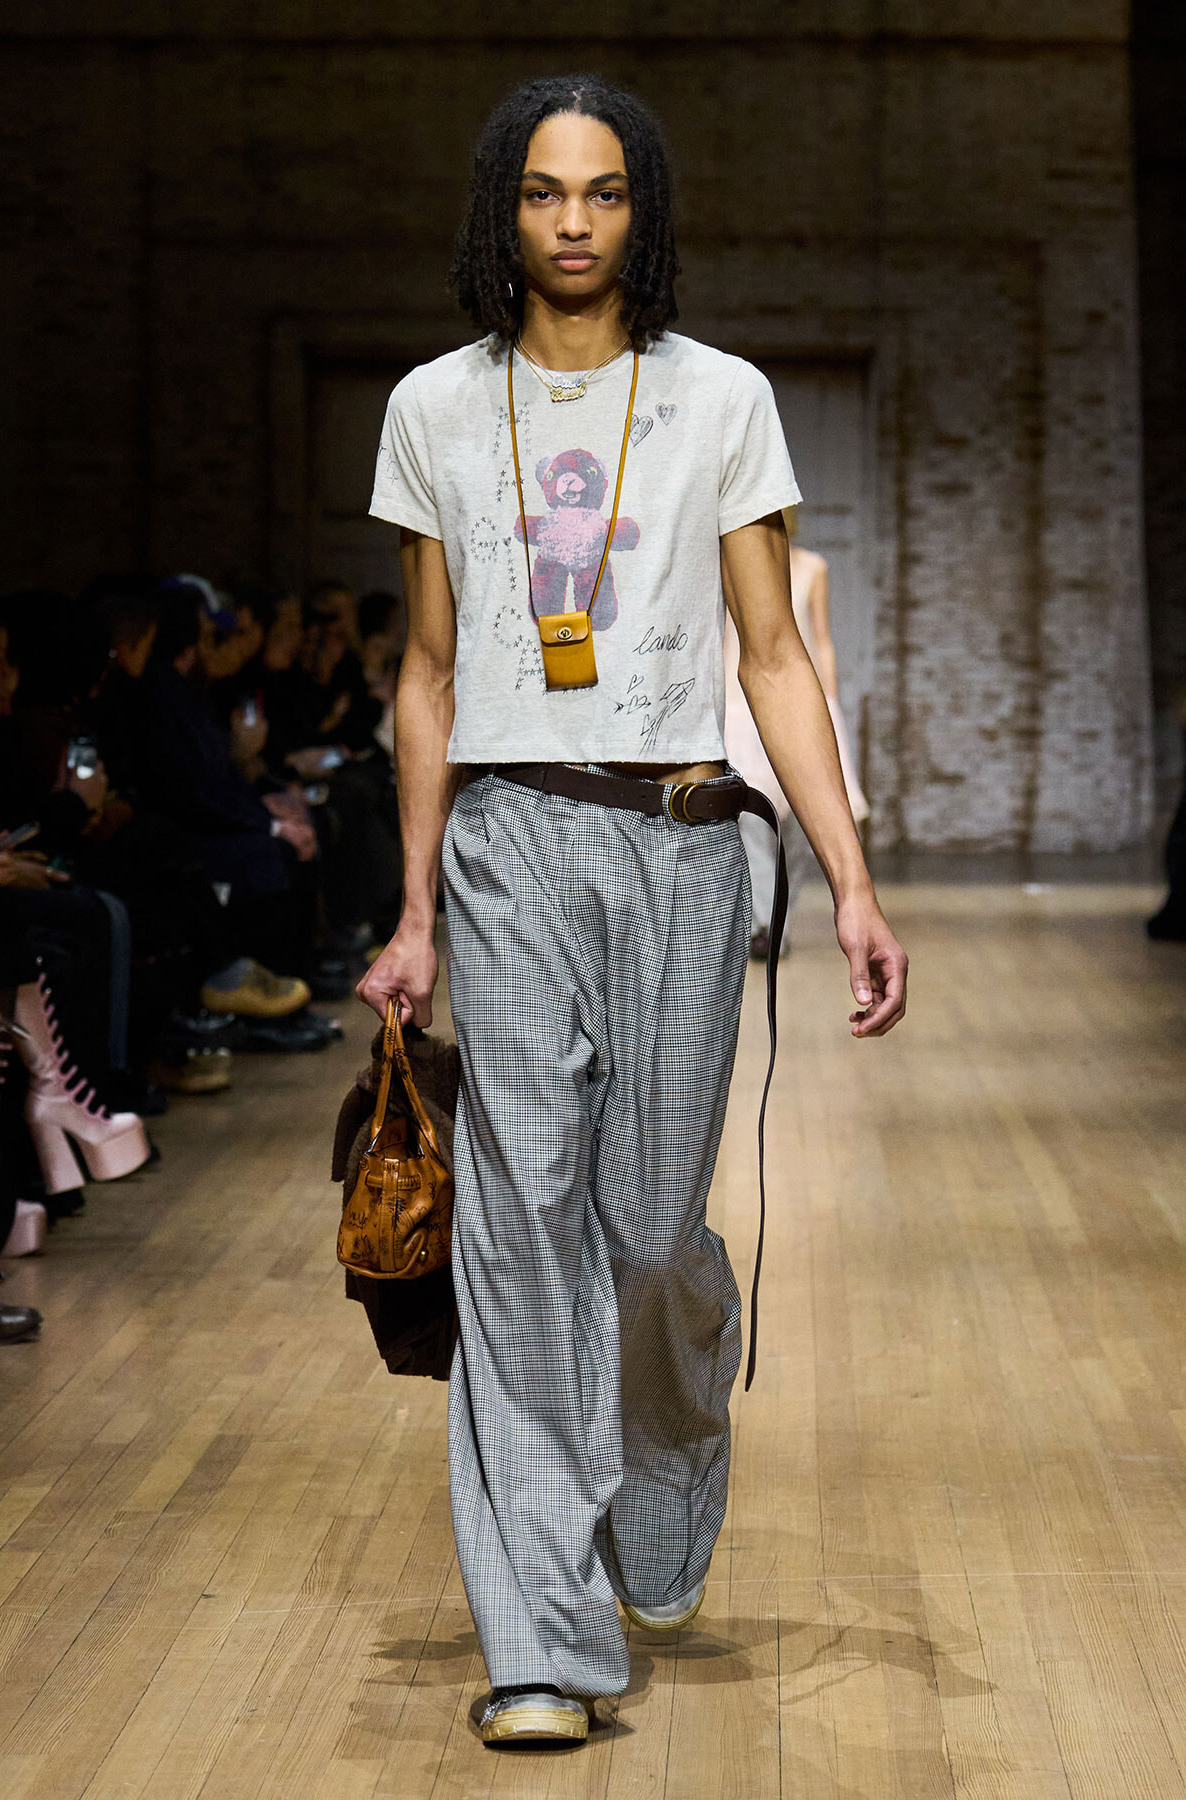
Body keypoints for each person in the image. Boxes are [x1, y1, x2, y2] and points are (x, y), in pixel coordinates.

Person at [357, 75, 908, 1746]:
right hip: (512, 841)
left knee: (649, 1227)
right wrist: (412, 907)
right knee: (521, 1226)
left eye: (603, 194)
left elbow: (771, 652)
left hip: (685, 840)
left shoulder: (722, 401)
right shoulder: (437, 409)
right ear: (502, 214)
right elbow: (431, 675)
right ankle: (540, 1636)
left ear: (641, 214)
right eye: (543, 193)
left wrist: (856, 883)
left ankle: (677, 1405)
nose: (574, 223)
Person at [724, 507, 871, 957]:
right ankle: (767, 926)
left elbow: (819, 637)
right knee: (750, 820)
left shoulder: (812, 567)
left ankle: (775, 924)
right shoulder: (725, 565)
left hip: (800, 703)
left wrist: (830, 705)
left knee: (806, 828)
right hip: (737, 702)